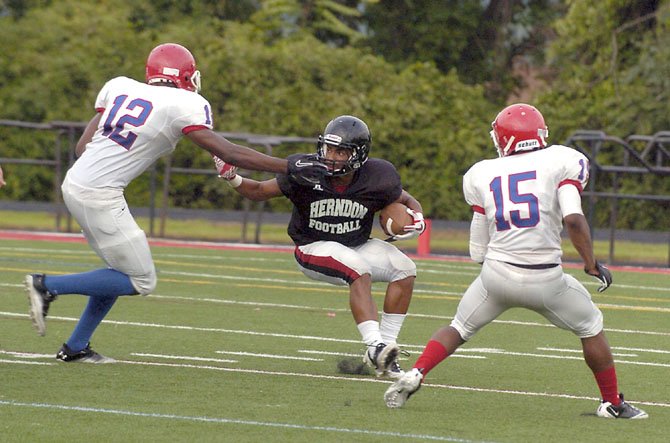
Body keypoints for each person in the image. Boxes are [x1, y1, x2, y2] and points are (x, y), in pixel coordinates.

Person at [24, 42, 327, 363]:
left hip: (76, 183)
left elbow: (82, 148)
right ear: (185, 76)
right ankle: (46, 285)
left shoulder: (119, 86)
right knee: (141, 280)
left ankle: (76, 347)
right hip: (99, 195)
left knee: (119, 270)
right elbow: (229, 152)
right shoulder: (184, 102)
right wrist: (290, 165)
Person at [383, 103, 648, 419]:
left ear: (503, 138)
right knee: (591, 326)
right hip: (547, 279)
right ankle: (612, 404)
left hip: (497, 275)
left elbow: (477, 248)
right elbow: (574, 220)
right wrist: (591, 263)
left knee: (458, 327)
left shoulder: (481, 173)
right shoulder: (562, 160)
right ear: (539, 134)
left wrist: (493, 268)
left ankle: (416, 374)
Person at [214, 115, 426, 378]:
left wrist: (417, 216)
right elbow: (258, 190)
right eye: (329, 148)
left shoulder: (378, 175)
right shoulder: (306, 170)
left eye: (341, 151)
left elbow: (404, 198)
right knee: (357, 268)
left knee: (405, 269)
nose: (331, 156)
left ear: (359, 155)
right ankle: (374, 346)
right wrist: (232, 178)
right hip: (312, 246)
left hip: (356, 244)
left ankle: (386, 351)